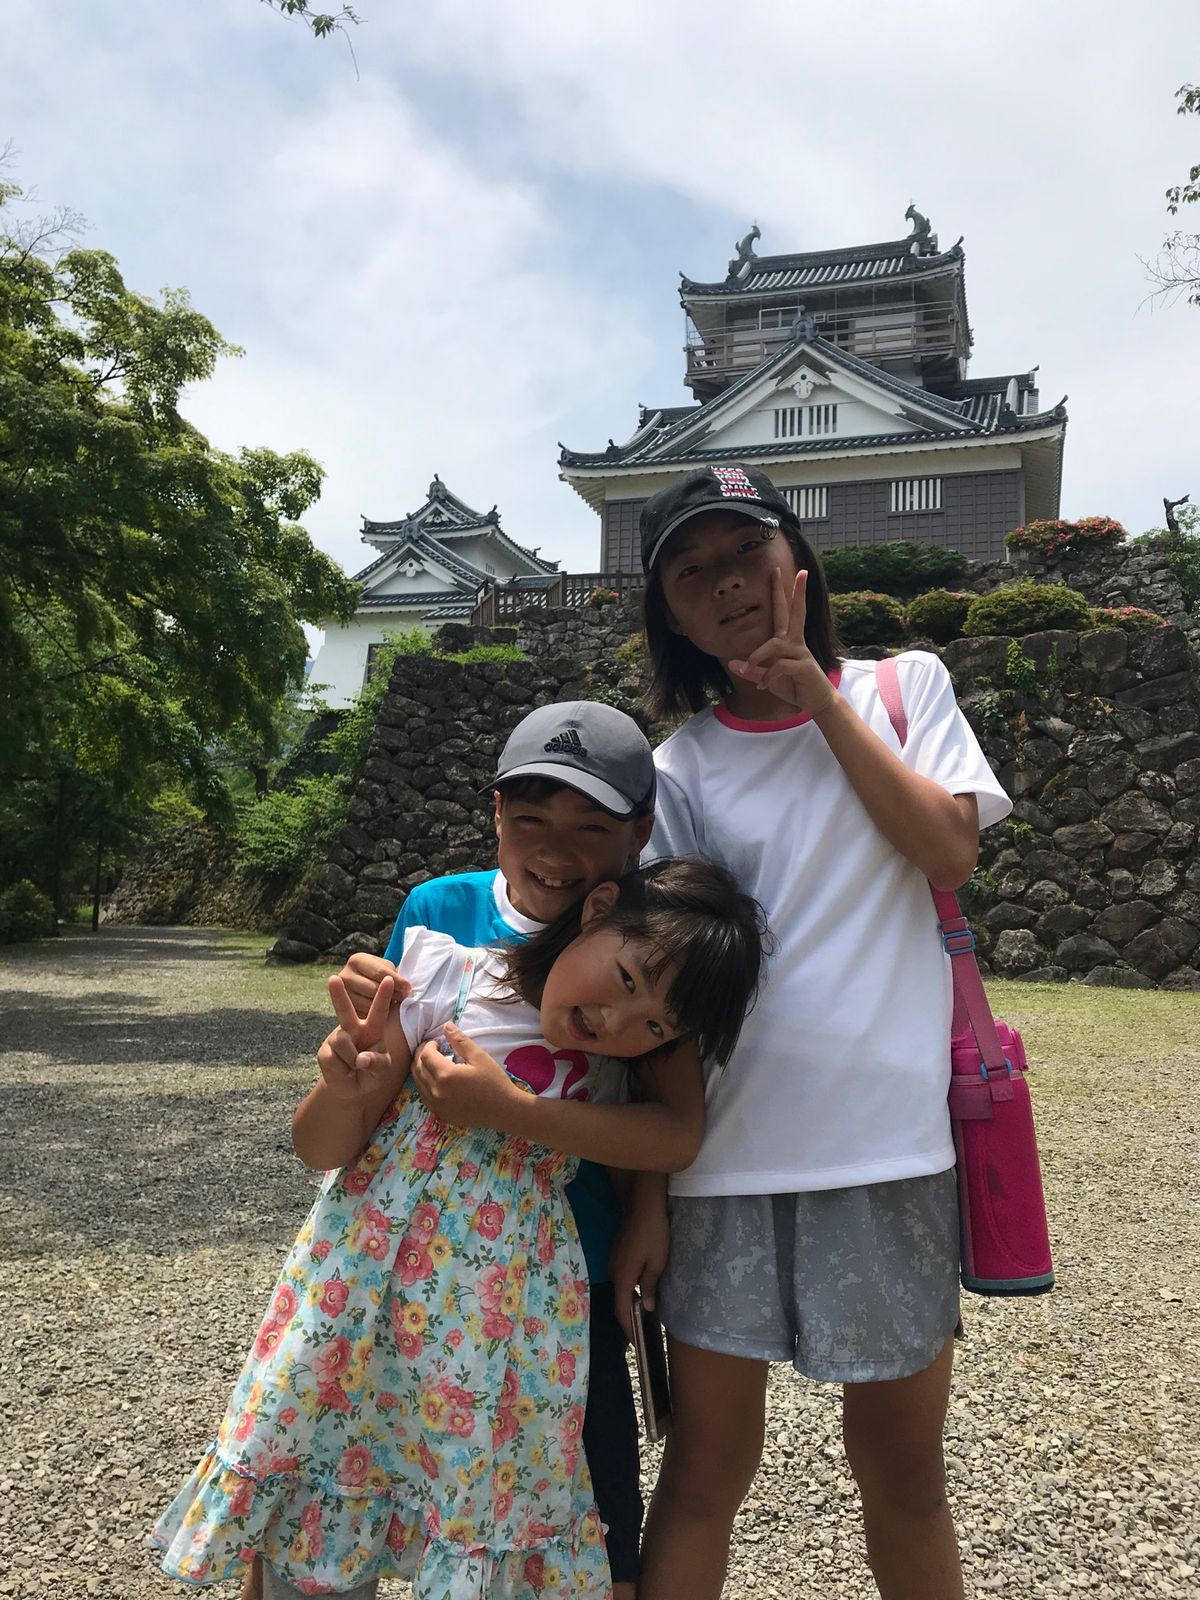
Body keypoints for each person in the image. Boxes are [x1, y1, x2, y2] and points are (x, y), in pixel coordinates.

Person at [151, 856, 768, 1600]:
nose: (616, 1020)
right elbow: (319, 1147)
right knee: (320, 1482)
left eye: (654, 1025)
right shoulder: (447, 975)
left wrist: (508, 1110)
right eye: (628, 981)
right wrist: (346, 1083)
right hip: (361, 1298)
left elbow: (674, 1138)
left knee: (474, 1496)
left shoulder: (609, 1066)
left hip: (500, 1330)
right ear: (598, 907)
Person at [625, 465, 1012, 1600]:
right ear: (673, 617)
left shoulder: (906, 688)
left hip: (889, 1150)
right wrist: (648, 1192)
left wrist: (818, 698)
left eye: (742, 554)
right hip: (722, 1163)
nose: (725, 586)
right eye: (690, 574)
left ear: (797, 564)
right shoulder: (680, 768)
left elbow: (947, 850)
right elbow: (661, 1002)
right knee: (703, 1471)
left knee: (902, 1472)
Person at [327, 701, 666, 1600]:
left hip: (569, 1276)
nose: (555, 849)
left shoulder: (647, 943)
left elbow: (674, 1117)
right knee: (341, 1482)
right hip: (405, 1276)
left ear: (638, 835)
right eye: (530, 821)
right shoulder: (439, 914)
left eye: (590, 828)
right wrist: (348, 1079)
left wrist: (644, 1206)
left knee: (589, 1524)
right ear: (494, 814)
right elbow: (346, 1119)